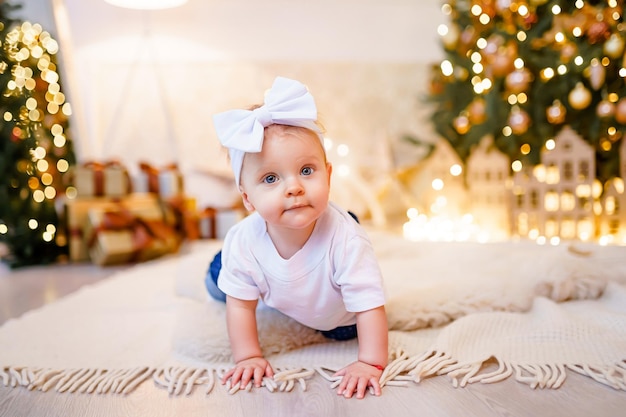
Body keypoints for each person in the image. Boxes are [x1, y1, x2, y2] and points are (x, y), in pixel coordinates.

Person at [207, 76, 388, 399]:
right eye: (271, 178)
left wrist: (370, 363)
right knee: (221, 279)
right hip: (267, 276)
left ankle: (348, 218)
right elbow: (240, 308)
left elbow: (370, 304)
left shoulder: (346, 242)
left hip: (335, 315)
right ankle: (224, 272)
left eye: (306, 170)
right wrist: (248, 356)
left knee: (344, 316)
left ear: (328, 175)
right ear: (247, 199)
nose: (294, 187)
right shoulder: (244, 240)